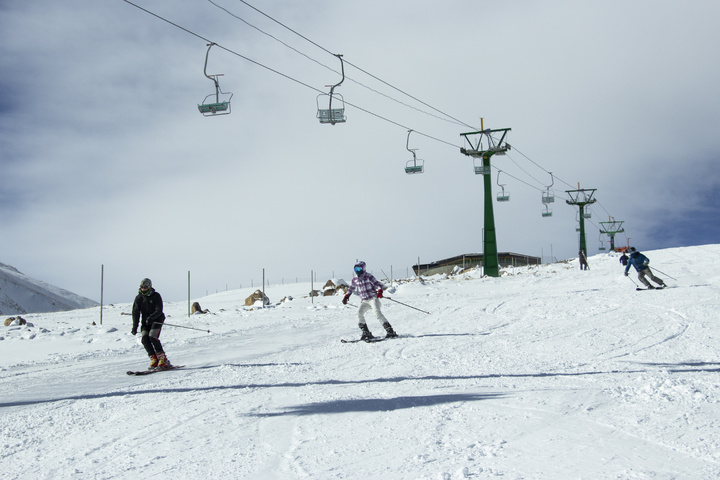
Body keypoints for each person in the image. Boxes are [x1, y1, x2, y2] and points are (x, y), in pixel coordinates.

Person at [342, 261, 398, 340]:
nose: (357, 270)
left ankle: (390, 332)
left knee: (377, 313)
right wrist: (346, 296)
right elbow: (351, 288)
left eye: (359, 268)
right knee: (358, 313)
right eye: (355, 269)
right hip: (364, 301)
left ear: (363, 268)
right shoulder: (355, 279)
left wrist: (380, 292)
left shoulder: (369, 276)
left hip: (373, 298)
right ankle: (366, 333)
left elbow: (378, 285)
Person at [132, 278, 172, 369]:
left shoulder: (156, 296)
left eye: (145, 287)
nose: (143, 289)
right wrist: (135, 326)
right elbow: (135, 313)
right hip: (145, 322)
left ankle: (163, 359)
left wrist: (152, 317)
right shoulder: (138, 298)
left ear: (149, 286)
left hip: (157, 320)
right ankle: (154, 358)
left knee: (153, 336)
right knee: (145, 339)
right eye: (141, 287)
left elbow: (159, 310)